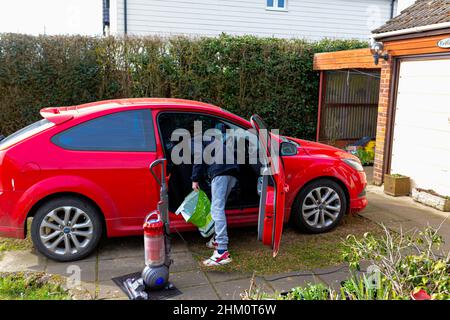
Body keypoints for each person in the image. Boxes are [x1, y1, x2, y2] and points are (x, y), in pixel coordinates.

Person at [191, 123, 238, 266]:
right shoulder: (211, 140)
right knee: (219, 208)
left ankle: (222, 251)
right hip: (232, 171)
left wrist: (194, 179)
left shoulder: (195, 141)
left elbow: (198, 159)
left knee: (217, 209)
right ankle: (217, 240)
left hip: (220, 172)